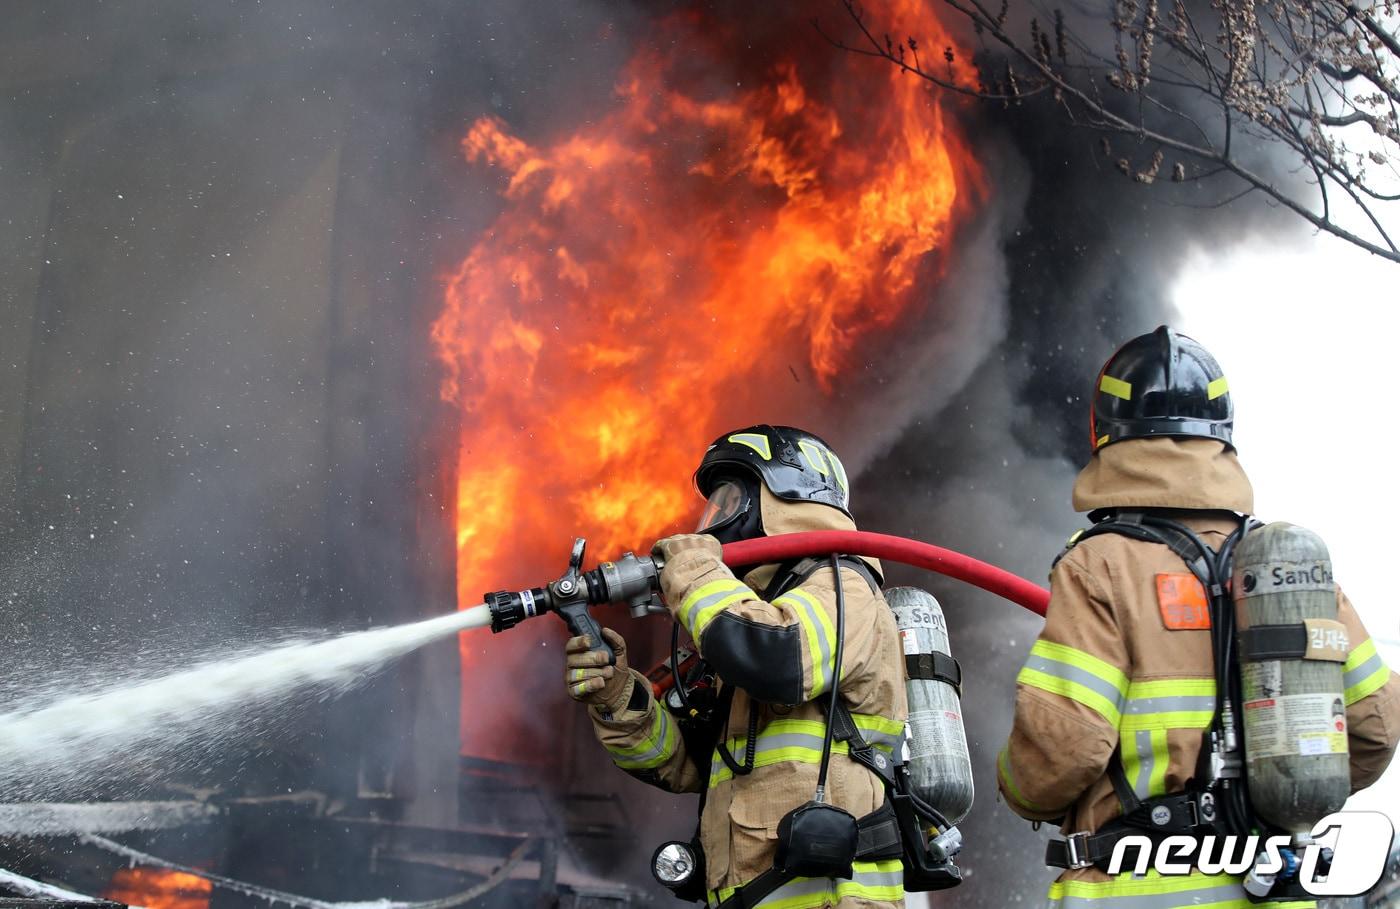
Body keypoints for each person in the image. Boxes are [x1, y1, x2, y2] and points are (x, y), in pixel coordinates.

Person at [997, 326, 1400, 907]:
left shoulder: (1102, 565)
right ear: (1221, 435)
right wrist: (1280, 793)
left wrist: (1018, 788)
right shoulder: (1289, 567)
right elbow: (1375, 728)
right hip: (1274, 888)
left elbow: (1064, 746)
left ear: (1106, 433)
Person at [562, 424, 908, 908]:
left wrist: (696, 573)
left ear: (783, 498)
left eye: (728, 501)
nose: (712, 522)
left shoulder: (843, 584)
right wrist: (617, 695)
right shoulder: (753, 618)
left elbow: (778, 659)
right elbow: (683, 765)